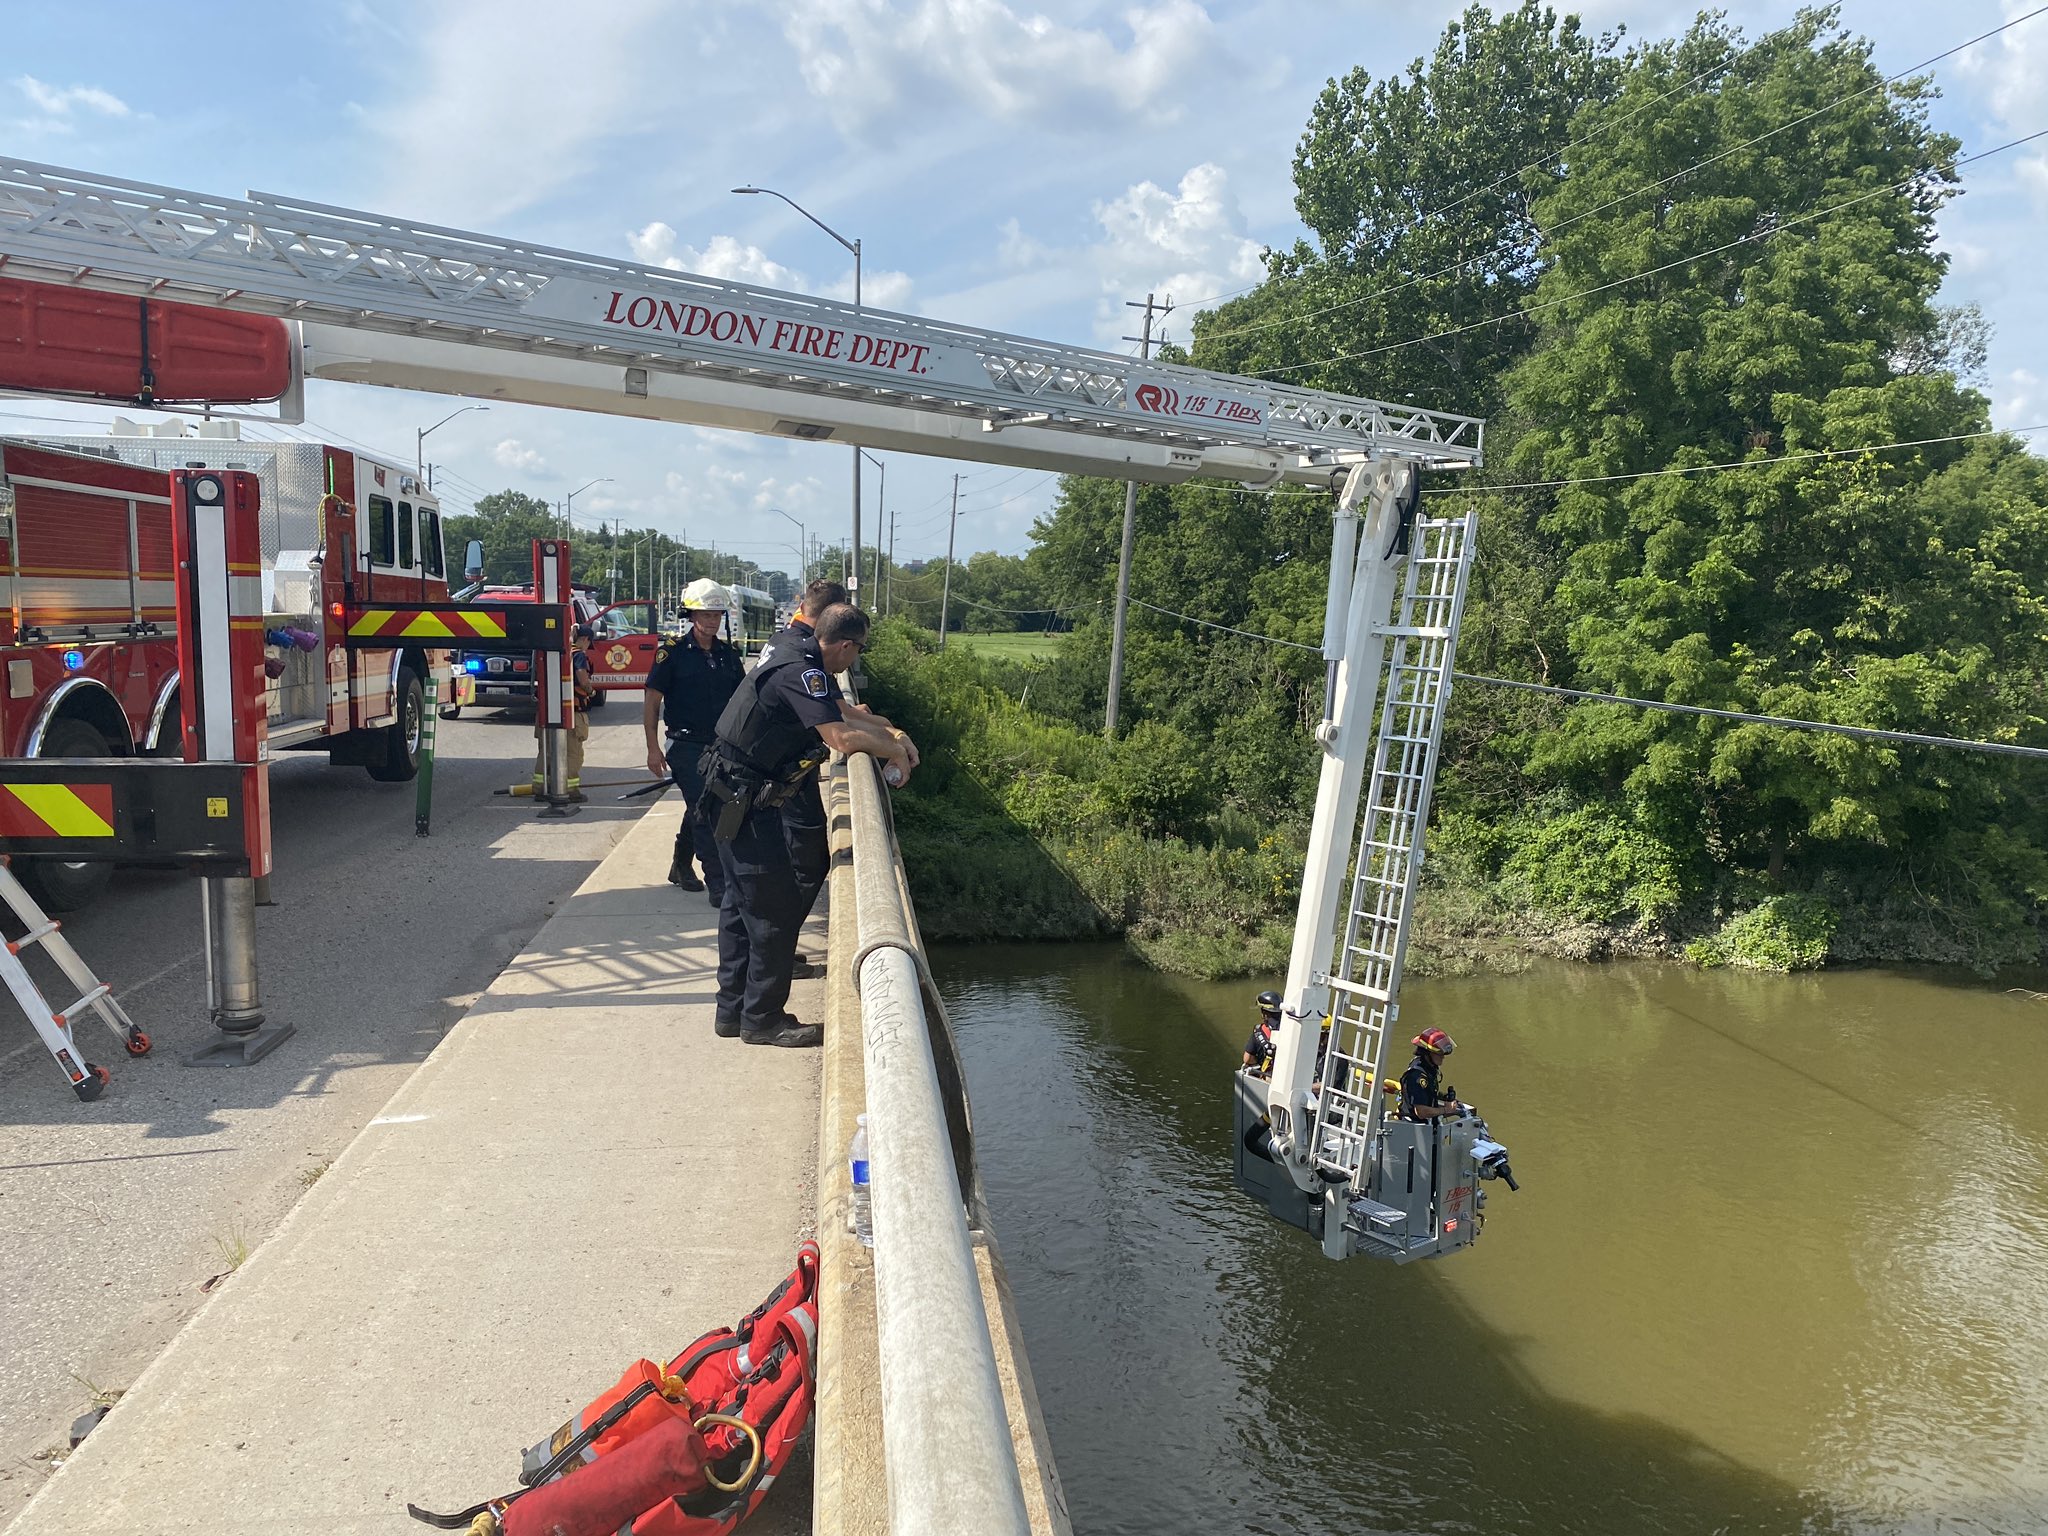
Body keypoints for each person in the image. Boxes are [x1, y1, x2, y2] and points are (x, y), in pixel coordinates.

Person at [703, 604, 915, 1047]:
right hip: (745, 803)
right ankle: (762, 1019)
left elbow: (841, 713)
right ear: (845, 645)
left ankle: (732, 1011)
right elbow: (838, 736)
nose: (852, 663)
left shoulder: (792, 647)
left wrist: (890, 734)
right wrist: (891, 751)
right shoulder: (803, 671)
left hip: (731, 794)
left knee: (740, 908)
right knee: (772, 911)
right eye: (856, 653)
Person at [644, 579, 746, 895]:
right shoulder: (671, 654)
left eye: (716, 614)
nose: (711, 621)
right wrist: (652, 749)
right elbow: (652, 702)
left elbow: (743, 701)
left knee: (703, 803)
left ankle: (680, 863)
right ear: (692, 615)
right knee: (706, 806)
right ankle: (718, 882)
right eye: (705, 614)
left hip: (719, 745)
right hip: (684, 744)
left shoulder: (728, 655)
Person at [532, 623, 595, 802]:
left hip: (547, 711)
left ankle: (541, 787)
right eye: (589, 643)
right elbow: (582, 678)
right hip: (572, 712)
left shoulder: (553, 653)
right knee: (573, 753)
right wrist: (590, 691)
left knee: (547, 752)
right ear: (584, 639)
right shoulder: (579, 655)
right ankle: (570, 789)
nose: (588, 647)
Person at [1398, 1028, 1465, 1122]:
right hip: (1415, 1130)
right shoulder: (1416, 1077)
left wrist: (1443, 1098)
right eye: (1439, 1053)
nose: (1443, 1057)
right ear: (1427, 1053)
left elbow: (1426, 1092)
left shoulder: (1427, 1067)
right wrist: (1446, 1110)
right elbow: (1421, 1112)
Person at [1241, 989, 1283, 1077]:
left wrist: (1260, 1060)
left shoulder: (1259, 1031)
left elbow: (1247, 1059)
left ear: (1264, 1014)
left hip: (1271, 1078)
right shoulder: (1291, 1029)